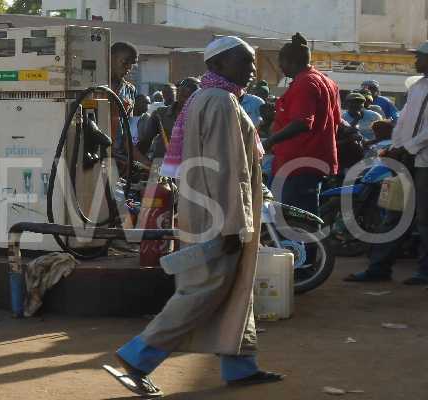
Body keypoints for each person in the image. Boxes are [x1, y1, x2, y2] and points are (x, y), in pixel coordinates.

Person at [106, 37, 281, 398]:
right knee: (203, 291)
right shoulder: (220, 102)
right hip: (220, 215)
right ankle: (138, 357)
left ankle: (240, 365)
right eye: (243, 62)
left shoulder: (213, 98)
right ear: (217, 65)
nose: (251, 69)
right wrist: (234, 223)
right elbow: (226, 170)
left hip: (210, 210)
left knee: (233, 289)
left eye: (251, 63)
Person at [347, 41, 428, 284]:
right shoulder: (417, 87)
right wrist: (395, 147)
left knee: (426, 219)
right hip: (405, 158)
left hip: (427, 160)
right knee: (393, 213)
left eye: (421, 57)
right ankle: (379, 268)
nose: (416, 61)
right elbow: (403, 122)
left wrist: (407, 148)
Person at [263, 33, 341, 218]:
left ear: (290, 61)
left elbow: (302, 122)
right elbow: (335, 120)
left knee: (294, 222)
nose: (280, 67)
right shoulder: (326, 81)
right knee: (303, 219)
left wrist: (270, 141)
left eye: (280, 62)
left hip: (298, 163)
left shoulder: (305, 82)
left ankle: (301, 248)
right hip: (309, 161)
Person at [111, 42, 139, 159]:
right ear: (110, 58)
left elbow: (128, 134)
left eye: (132, 64)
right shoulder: (93, 87)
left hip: (118, 156)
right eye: (125, 62)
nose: (128, 68)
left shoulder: (129, 90)